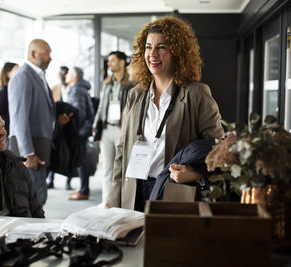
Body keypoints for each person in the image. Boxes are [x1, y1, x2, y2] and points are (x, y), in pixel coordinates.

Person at [109, 16, 224, 211]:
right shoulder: (135, 94)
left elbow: (219, 150)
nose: (152, 54)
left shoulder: (196, 93)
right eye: (148, 47)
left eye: (161, 47)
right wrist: (114, 204)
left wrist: (195, 174)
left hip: (172, 191)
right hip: (134, 191)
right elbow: (121, 151)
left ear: (177, 52)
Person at [8, 39, 70, 205]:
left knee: (37, 196)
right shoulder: (22, 76)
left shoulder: (38, 76)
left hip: (40, 147)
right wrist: (27, 153)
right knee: (36, 197)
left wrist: (56, 121)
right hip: (29, 151)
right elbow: (19, 118)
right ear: (33, 54)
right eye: (46, 53)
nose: (50, 58)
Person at [92, 51, 136, 208]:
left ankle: (120, 201)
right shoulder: (107, 82)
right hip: (106, 128)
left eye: (112, 60)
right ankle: (106, 201)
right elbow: (101, 107)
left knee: (122, 167)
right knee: (107, 168)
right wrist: (96, 124)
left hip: (122, 129)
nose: (109, 63)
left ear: (122, 62)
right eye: (109, 61)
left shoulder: (131, 83)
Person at [65, 67, 95, 200]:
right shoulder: (78, 88)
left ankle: (84, 191)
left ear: (74, 76)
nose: (66, 75)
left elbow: (79, 112)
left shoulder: (76, 89)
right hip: (82, 129)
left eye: (69, 73)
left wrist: (74, 130)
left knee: (81, 160)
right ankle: (83, 188)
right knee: (81, 159)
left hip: (79, 130)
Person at [47, 65, 69, 189]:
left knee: (68, 152)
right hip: (57, 126)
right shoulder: (54, 89)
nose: (62, 75)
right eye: (60, 73)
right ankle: (51, 179)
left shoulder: (72, 88)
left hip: (69, 125)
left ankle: (68, 181)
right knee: (55, 151)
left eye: (65, 73)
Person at [0, 62, 19, 136]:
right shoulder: (4, 91)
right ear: (8, 74)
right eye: (16, 70)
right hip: (7, 132)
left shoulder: (11, 90)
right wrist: (7, 124)